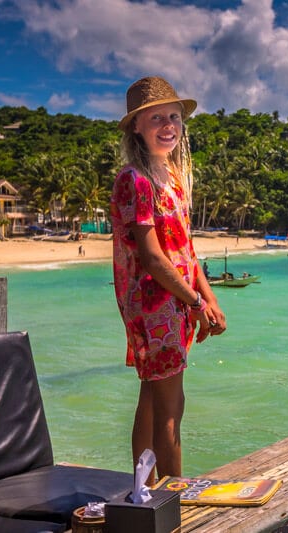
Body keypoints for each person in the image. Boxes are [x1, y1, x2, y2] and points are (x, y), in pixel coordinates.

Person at [111, 76, 226, 486]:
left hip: (175, 299)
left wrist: (208, 298)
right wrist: (195, 303)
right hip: (154, 303)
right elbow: (153, 256)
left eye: (174, 117)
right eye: (156, 117)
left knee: (153, 397)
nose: (168, 125)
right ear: (136, 127)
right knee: (171, 406)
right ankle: (177, 495)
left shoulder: (172, 177)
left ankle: (145, 489)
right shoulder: (135, 179)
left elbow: (186, 249)